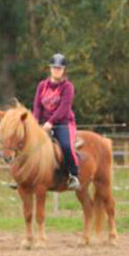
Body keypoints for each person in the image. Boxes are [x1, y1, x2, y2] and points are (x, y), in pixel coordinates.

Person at [31, 53, 80, 190]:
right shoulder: (42, 86)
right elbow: (37, 106)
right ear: (50, 69)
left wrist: (50, 123)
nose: (56, 70)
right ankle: (25, 177)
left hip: (63, 123)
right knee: (28, 145)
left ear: (64, 70)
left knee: (65, 146)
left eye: (59, 68)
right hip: (43, 125)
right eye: (54, 67)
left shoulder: (68, 87)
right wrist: (35, 122)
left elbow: (64, 108)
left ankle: (73, 175)